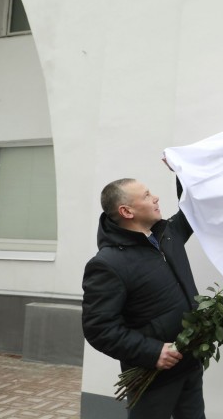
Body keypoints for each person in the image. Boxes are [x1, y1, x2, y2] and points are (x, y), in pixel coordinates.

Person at [82, 165, 206, 419]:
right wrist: (152, 352)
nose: (156, 198)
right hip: (153, 377)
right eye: (147, 195)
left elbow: (191, 210)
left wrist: (182, 168)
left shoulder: (167, 236)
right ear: (127, 211)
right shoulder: (108, 264)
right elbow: (99, 328)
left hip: (189, 364)